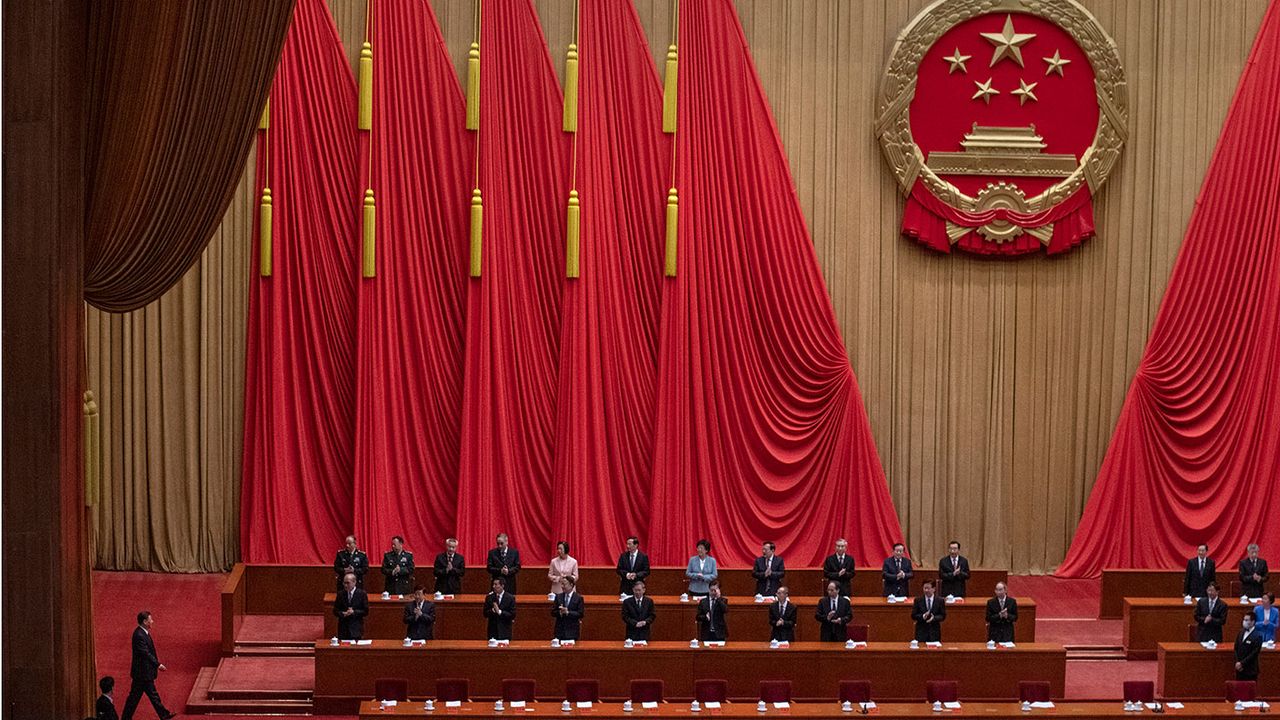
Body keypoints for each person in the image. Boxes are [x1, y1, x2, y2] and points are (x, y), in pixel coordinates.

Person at [120, 611, 175, 720]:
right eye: (150, 619)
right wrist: (158, 664)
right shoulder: (139, 635)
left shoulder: (142, 633)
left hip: (142, 673)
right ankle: (163, 714)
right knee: (146, 696)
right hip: (142, 673)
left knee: (136, 697)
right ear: (145, 621)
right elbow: (145, 653)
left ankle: (163, 714)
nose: (152, 621)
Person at [335, 572, 369, 640]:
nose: (345, 585)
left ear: (354, 582)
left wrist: (354, 612)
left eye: (348, 583)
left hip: (356, 629)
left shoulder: (362, 594)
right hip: (343, 629)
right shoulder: (340, 594)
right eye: (344, 583)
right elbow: (335, 611)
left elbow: (366, 611)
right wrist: (342, 613)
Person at [551, 575, 585, 641]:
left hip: (572, 631)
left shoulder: (578, 598)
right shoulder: (558, 597)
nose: (562, 586)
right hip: (559, 631)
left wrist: (568, 612)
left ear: (571, 585)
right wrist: (560, 612)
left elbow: (581, 614)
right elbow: (553, 612)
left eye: (564, 584)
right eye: (562, 584)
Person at [1235, 613, 1262, 680]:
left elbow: (1254, 653)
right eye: (1244, 619)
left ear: (1253, 622)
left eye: (1247, 620)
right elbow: (1236, 648)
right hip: (1239, 669)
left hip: (1250, 669)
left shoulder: (1258, 636)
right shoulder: (1241, 632)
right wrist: (1238, 662)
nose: (1244, 622)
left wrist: (1242, 663)